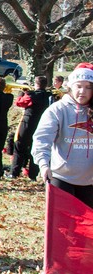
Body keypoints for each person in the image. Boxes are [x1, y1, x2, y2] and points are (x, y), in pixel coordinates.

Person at [32, 63, 93, 207]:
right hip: (61, 177)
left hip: (89, 182)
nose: (82, 91)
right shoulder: (57, 110)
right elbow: (42, 139)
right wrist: (43, 164)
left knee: (86, 228)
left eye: (88, 87)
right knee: (64, 227)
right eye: (79, 86)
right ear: (70, 86)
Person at [10, 76, 53, 180]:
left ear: (36, 84)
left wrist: (21, 93)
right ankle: (33, 175)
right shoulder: (49, 96)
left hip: (27, 124)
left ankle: (14, 173)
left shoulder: (31, 95)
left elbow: (19, 103)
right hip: (41, 125)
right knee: (36, 148)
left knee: (19, 147)